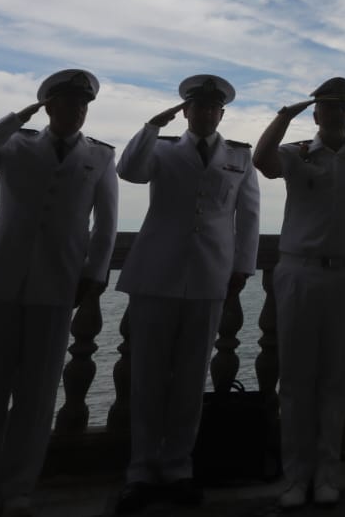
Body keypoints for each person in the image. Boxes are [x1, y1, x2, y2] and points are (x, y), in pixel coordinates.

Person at [0, 69, 120, 517]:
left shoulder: (100, 155)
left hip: (60, 281)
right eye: (67, 103)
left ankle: (17, 489)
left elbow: (106, 222)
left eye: (82, 104)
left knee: (38, 393)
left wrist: (94, 274)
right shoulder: (15, 145)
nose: (76, 111)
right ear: (48, 106)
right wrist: (16, 117)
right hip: (2, 276)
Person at [115, 75, 259, 513]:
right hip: (156, 273)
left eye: (213, 107)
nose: (206, 113)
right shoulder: (160, 149)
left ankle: (179, 468)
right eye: (198, 106)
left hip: (209, 275)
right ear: (186, 111)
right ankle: (141, 471)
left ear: (221, 113)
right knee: (147, 375)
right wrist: (151, 127)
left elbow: (249, 214)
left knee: (192, 378)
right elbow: (129, 172)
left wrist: (242, 266)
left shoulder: (239, 156)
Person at [252, 77, 345, 510]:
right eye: (328, 107)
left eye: (343, 107)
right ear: (315, 114)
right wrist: (283, 115)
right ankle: (296, 477)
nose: (336, 113)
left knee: (338, 376)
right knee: (295, 378)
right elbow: (261, 161)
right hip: (299, 270)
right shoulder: (296, 153)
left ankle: (328, 473)